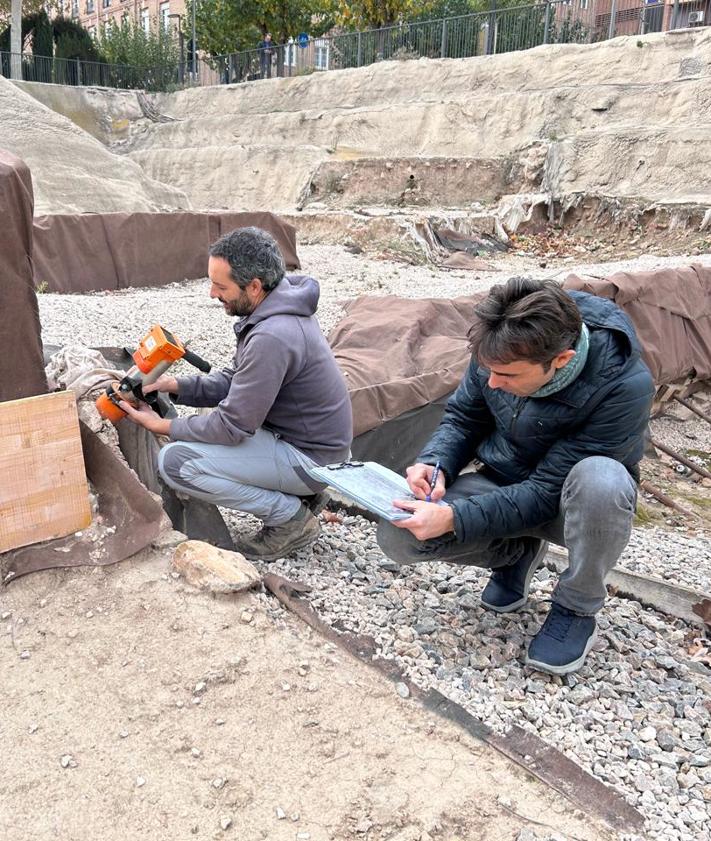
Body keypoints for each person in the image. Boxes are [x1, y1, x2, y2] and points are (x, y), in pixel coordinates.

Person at [377, 277, 654, 676]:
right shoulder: (500, 347)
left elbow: (545, 492)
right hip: (502, 479)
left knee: (603, 481)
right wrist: (436, 463)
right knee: (399, 535)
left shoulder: (624, 386)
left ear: (561, 360)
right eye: (487, 370)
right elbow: (464, 417)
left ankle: (576, 608)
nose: (493, 382)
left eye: (506, 376)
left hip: (570, 506)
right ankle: (515, 554)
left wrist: (455, 518)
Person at [119, 226, 353, 561]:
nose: (212, 293)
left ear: (254, 286)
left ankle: (290, 518)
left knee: (175, 463)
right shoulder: (279, 307)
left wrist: (163, 426)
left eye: (221, 286)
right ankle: (299, 495)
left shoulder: (272, 336)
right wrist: (176, 386)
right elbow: (237, 380)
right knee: (202, 424)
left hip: (312, 460)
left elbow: (232, 426)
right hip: (308, 443)